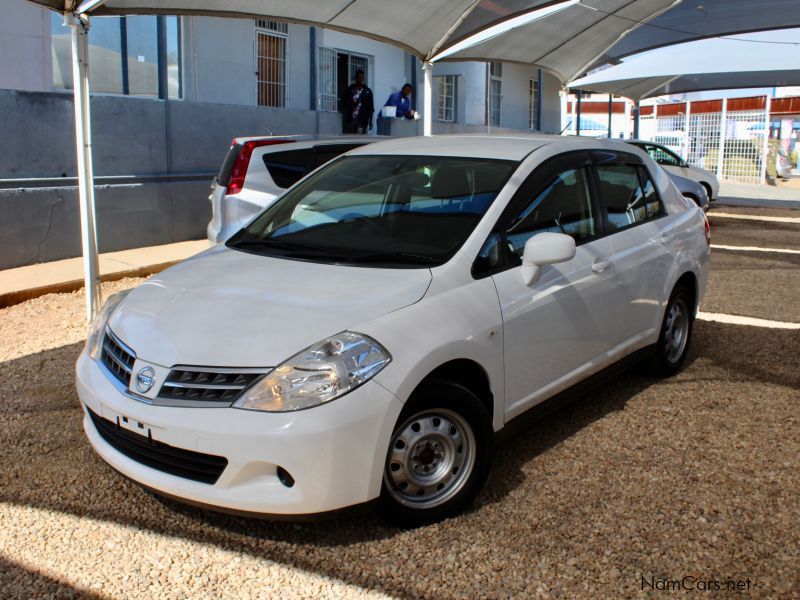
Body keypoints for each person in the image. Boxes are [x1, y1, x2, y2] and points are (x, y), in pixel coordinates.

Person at [340, 70, 374, 134]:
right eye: (359, 77)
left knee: (361, 138)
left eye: (362, 78)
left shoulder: (367, 91)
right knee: (351, 138)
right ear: (356, 78)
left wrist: (370, 121)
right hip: (351, 120)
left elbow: (371, 107)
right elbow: (343, 103)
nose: (361, 79)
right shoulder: (349, 90)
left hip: (363, 119)